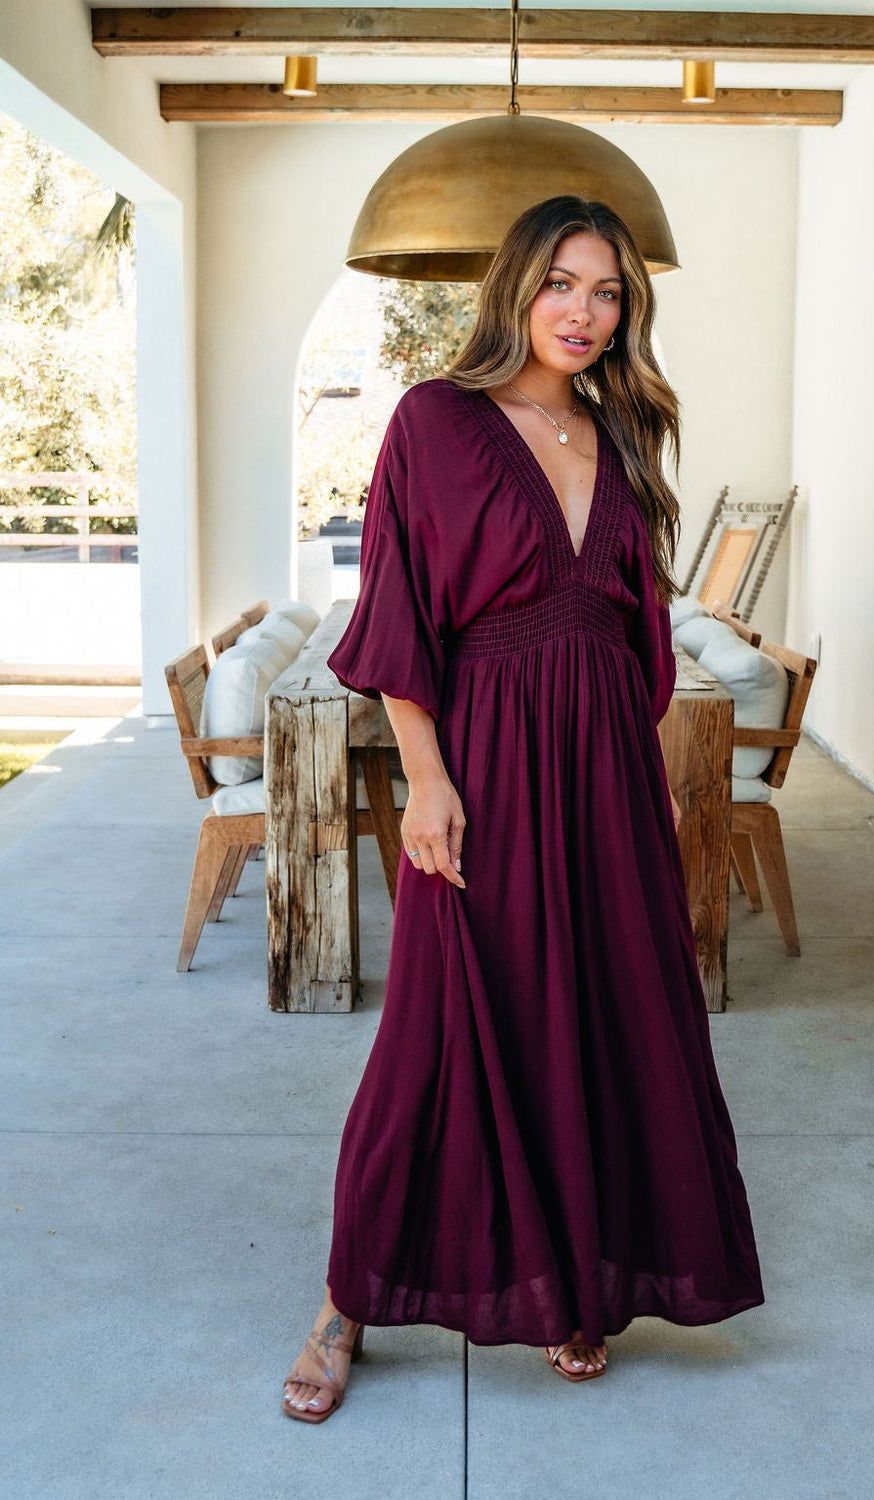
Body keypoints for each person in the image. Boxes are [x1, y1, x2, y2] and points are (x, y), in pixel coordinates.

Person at [282, 194, 764, 1421]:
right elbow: (398, 615)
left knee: (604, 1018)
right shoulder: (436, 422)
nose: (584, 312)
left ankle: (576, 1288)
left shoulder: (621, 428)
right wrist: (427, 779)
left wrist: (637, 771)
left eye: (608, 293)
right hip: (485, 761)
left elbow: (631, 630)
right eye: (563, 284)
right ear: (515, 289)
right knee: (439, 1034)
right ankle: (347, 1297)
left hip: (605, 765)